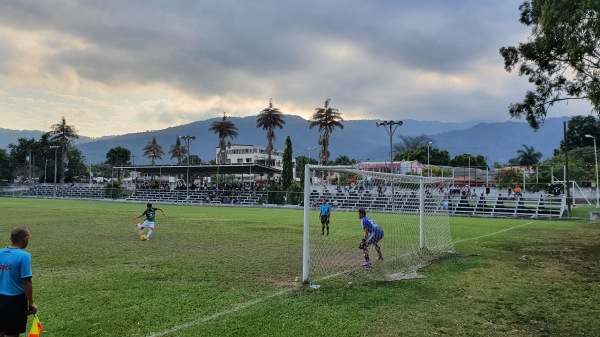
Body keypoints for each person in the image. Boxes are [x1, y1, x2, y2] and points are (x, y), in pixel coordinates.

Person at [0, 227, 38, 337]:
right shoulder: (24, 256)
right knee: (12, 333)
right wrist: (31, 302)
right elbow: (26, 282)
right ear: (25, 239)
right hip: (14, 301)